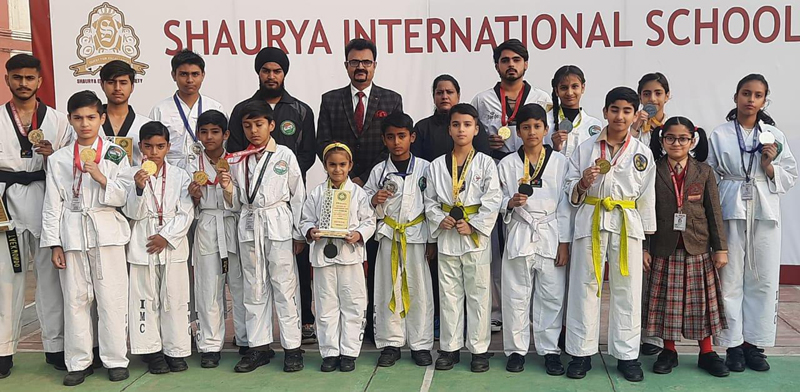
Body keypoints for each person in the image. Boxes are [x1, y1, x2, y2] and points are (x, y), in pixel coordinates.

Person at [564, 87, 656, 382]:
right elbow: (569, 189)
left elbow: (647, 198)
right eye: (614, 109)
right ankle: (581, 352)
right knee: (584, 286)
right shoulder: (586, 147)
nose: (620, 116)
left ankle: (627, 355)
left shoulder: (642, 152)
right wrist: (581, 184)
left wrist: (646, 243)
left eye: (627, 110)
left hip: (627, 221)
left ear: (634, 114)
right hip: (591, 218)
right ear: (605, 111)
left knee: (627, 289)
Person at [41, 90, 133, 386]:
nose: (85, 124)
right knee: (76, 299)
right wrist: (55, 243)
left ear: (102, 118)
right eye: (78, 118)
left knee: (112, 299)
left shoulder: (116, 153)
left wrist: (101, 177)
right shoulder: (58, 159)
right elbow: (52, 202)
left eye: (91, 117)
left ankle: (116, 359)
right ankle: (79, 361)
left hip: (106, 229)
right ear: (69, 120)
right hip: (72, 233)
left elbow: (126, 197)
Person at [707, 74, 797, 372]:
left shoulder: (774, 135)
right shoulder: (720, 134)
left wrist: (769, 167)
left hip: (764, 210)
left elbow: (790, 174)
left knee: (763, 277)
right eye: (746, 93)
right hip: (731, 206)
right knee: (730, 278)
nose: (750, 100)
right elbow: (709, 174)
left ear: (764, 101)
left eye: (757, 95)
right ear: (736, 97)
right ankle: (732, 344)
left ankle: (754, 344)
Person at [227, 47, 318, 345]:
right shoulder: (242, 109)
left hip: (283, 204)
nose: (271, 75)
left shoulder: (300, 110)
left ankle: (298, 335)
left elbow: (306, 154)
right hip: (252, 211)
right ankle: (258, 345)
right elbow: (237, 154)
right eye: (265, 70)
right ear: (258, 73)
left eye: (276, 70)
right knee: (255, 285)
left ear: (284, 73)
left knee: (289, 279)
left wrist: (276, 174)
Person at [316, 38, 402, 343]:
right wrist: (345, 176)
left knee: (376, 257)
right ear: (346, 66)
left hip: (377, 187)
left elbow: (392, 144)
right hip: (341, 189)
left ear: (375, 65)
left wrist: (364, 179)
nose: (361, 67)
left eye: (366, 62)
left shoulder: (391, 100)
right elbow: (322, 141)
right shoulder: (330, 100)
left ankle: (373, 323)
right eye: (355, 62)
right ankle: (347, 327)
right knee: (345, 260)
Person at [470, 39, 551, 332]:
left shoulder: (542, 98)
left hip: (534, 171)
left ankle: (529, 309)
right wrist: (486, 143)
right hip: (498, 170)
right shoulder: (482, 100)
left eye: (517, 59)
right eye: (505, 60)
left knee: (530, 246)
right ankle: (498, 310)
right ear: (497, 65)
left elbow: (548, 137)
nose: (511, 65)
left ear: (526, 64)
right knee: (497, 244)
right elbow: (472, 136)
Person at [219, 101, 306, 373]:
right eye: (247, 126)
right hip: (249, 222)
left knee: (284, 285)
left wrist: (298, 233)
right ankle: (259, 347)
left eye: (259, 125)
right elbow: (235, 204)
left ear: (271, 125)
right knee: (253, 287)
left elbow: (298, 194)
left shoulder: (285, 155)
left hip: (278, 222)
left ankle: (292, 348)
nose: (254, 131)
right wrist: (226, 188)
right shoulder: (237, 158)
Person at [1, 54, 71, 377]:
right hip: (7, 201)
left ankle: (55, 346)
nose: (24, 84)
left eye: (30, 78)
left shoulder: (58, 121)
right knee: (7, 279)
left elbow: (73, 164)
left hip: (46, 199)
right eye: (17, 78)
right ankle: (3, 350)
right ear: (7, 80)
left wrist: (54, 156)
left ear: (40, 81)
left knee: (50, 280)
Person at [643, 116, 730, 377]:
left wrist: (721, 248)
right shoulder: (652, 169)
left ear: (692, 140)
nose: (676, 143)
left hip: (698, 246)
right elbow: (645, 211)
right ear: (662, 140)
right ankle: (668, 350)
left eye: (683, 138)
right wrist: (645, 247)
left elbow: (714, 211)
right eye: (670, 138)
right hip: (663, 245)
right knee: (667, 303)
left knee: (700, 304)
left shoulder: (703, 171)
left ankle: (706, 352)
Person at [423, 103, 502, 372]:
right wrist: (438, 218)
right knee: (449, 294)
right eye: (456, 124)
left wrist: (475, 225)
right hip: (447, 236)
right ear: (449, 129)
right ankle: (450, 347)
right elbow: (429, 200)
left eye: (467, 125)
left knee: (479, 295)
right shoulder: (436, 166)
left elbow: (493, 200)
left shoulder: (486, 163)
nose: (461, 129)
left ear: (476, 129)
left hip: (474, 238)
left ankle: (479, 349)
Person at [497, 103, 572, 374]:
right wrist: (510, 202)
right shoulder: (507, 163)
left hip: (551, 233)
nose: (531, 132)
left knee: (551, 296)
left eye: (537, 127)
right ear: (518, 131)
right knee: (516, 294)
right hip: (520, 230)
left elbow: (566, 204)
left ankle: (549, 349)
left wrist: (564, 242)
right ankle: (516, 350)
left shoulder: (561, 162)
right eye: (526, 127)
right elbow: (496, 199)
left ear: (546, 128)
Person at [364, 112, 434, 367]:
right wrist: (374, 201)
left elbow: (433, 204)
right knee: (387, 288)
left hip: (416, 236)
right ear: (384, 139)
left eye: (402, 136)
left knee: (419, 289)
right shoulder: (379, 170)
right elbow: (363, 203)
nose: (397, 142)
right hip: (388, 236)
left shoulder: (427, 168)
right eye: (391, 137)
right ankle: (390, 343)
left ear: (412, 137)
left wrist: (432, 240)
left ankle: (420, 343)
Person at [124, 121, 194, 375]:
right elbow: (130, 212)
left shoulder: (180, 175)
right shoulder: (131, 174)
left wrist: (166, 236)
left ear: (168, 147)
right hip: (143, 240)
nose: (154, 152)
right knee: (145, 298)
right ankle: (151, 351)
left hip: (172, 244)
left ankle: (175, 351)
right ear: (140, 146)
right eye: (149, 146)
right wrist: (139, 189)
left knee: (175, 298)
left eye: (160, 146)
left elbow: (186, 212)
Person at [300, 142, 376, 372]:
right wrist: (310, 231)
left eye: (342, 164)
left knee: (353, 304)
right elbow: (306, 219)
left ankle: (350, 352)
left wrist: (359, 234)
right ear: (325, 166)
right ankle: (330, 352)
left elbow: (369, 221)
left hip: (350, 256)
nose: (337, 169)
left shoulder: (358, 194)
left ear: (350, 165)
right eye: (332, 165)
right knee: (326, 306)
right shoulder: (317, 193)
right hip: (324, 255)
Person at [186, 110, 247, 368]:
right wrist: (194, 197)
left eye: (215, 132)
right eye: (204, 132)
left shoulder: (236, 162)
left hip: (232, 224)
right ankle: (210, 344)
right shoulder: (190, 164)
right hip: (207, 225)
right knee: (208, 286)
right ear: (198, 135)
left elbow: (245, 199)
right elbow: (183, 203)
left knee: (239, 283)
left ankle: (245, 338)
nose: (209, 137)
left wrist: (229, 189)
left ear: (226, 134)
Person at [149, 49, 224, 169]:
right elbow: (151, 146)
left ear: (203, 75)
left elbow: (224, 144)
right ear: (174, 75)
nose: (190, 80)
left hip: (209, 171)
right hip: (171, 173)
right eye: (184, 74)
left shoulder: (215, 107)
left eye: (195, 74)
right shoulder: (160, 110)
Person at [412, 74, 490, 161]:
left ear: (458, 96)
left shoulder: (472, 124)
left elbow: (483, 158)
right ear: (433, 97)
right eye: (439, 93)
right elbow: (416, 164)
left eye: (449, 92)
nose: (444, 97)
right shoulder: (422, 128)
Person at [99, 60, 151, 166]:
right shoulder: (90, 123)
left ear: (132, 86)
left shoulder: (145, 125)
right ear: (102, 85)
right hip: (96, 181)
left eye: (123, 83)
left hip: (134, 181)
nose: (117, 88)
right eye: (111, 82)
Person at [544, 65, 603, 158]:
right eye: (564, 88)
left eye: (575, 86)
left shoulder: (594, 125)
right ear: (556, 91)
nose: (570, 93)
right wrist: (555, 148)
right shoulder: (544, 121)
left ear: (583, 88)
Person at [630, 72, 671, 150]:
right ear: (640, 98)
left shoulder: (673, 126)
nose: (652, 99)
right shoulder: (629, 125)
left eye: (658, 93)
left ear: (666, 96)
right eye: (646, 94)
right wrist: (635, 127)